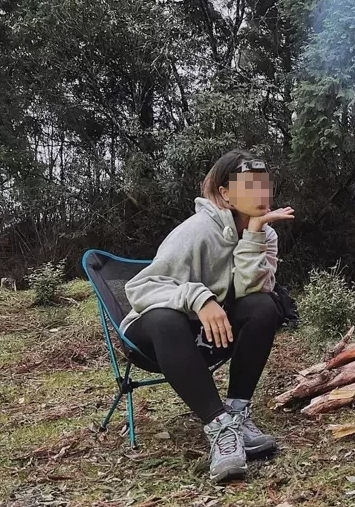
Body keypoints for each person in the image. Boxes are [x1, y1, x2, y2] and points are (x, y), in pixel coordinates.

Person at [121, 150, 295, 483]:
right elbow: (142, 288)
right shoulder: (198, 230)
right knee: (164, 318)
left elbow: (250, 291)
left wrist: (255, 234)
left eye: (264, 184)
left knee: (263, 306)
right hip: (156, 335)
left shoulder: (267, 234)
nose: (260, 193)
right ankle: (219, 428)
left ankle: (237, 412)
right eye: (248, 185)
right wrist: (200, 298)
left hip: (212, 333)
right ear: (225, 193)